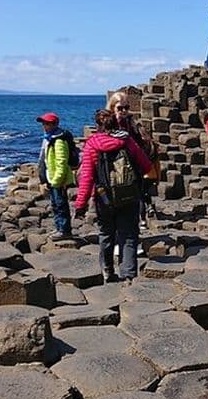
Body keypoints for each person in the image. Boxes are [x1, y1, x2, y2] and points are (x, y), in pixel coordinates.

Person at [74, 109, 152, 282]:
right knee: (129, 236)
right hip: (129, 196)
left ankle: (107, 271)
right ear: (115, 123)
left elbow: (86, 177)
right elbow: (147, 166)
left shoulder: (92, 144)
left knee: (106, 235)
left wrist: (80, 205)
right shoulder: (127, 140)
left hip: (104, 198)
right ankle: (129, 276)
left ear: (97, 125)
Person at [106, 91, 160, 228]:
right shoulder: (107, 126)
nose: (124, 111)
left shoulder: (133, 125)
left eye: (126, 108)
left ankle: (138, 222)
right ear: (112, 108)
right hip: (113, 169)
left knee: (136, 196)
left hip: (133, 168)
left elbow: (139, 146)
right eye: (120, 108)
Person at [36, 112, 75, 240]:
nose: (44, 126)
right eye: (43, 123)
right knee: (55, 204)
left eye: (47, 123)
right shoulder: (48, 138)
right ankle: (59, 228)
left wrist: (57, 180)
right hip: (51, 177)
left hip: (58, 180)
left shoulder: (59, 140)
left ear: (55, 124)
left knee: (60, 205)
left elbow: (61, 162)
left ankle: (64, 230)